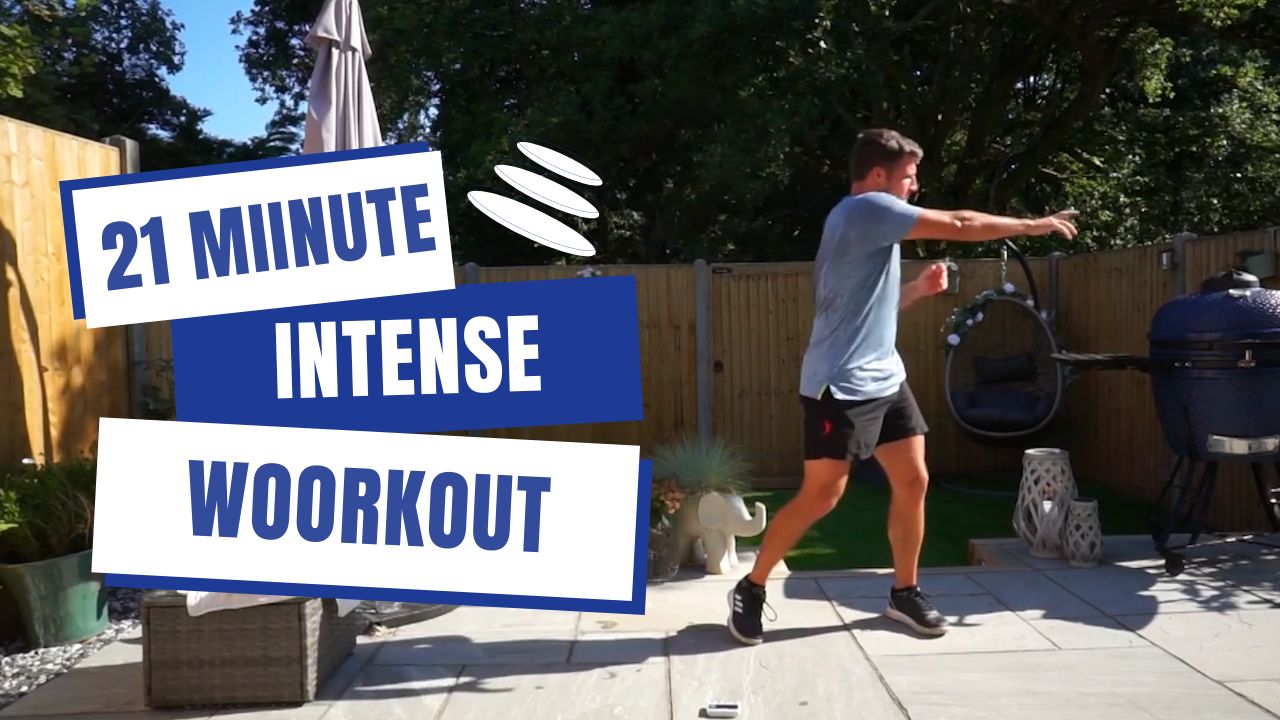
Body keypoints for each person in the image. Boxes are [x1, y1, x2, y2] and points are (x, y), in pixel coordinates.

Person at [727, 128, 1078, 645]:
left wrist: (914, 290)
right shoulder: (864, 210)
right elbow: (960, 223)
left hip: (885, 378)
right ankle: (752, 587)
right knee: (823, 495)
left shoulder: (872, 227)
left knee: (913, 480)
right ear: (877, 176)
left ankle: (904, 592)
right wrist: (1033, 225)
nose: (914, 186)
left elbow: (867, 313)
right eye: (909, 177)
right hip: (839, 385)